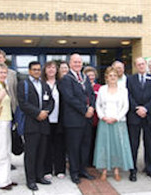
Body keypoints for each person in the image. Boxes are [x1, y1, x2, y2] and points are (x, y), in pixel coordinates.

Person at [59, 53, 96, 184]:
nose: (77, 64)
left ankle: (83, 170)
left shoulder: (85, 78)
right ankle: (74, 173)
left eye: (79, 62)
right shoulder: (66, 79)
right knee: (74, 148)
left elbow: (91, 94)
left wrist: (91, 107)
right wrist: (85, 110)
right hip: (74, 120)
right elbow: (69, 98)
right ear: (70, 63)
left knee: (85, 147)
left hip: (87, 120)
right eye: (75, 62)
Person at [17, 61, 54, 191]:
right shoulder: (23, 84)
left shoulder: (44, 85)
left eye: (39, 69)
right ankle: (31, 180)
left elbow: (51, 101)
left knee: (41, 153)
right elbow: (22, 103)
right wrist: (37, 113)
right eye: (34, 69)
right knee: (31, 154)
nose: (37, 72)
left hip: (44, 124)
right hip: (30, 124)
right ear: (29, 71)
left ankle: (39, 176)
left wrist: (46, 112)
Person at [93, 66, 133, 181]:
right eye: (110, 75)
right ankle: (104, 170)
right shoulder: (102, 89)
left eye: (115, 75)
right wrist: (102, 116)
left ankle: (116, 170)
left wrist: (116, 118)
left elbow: (126, 106)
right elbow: (98, 105)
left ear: (118, 77)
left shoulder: (123, 90)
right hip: (104, 121)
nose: (112, 78)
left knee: (117, 146)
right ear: (106, 77)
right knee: (104, 146)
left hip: (118, 122)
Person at [127, 57, 151, 181]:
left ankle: (150, 169)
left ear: (146, 65)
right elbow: (128, 95)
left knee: (149, 144)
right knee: (133, 144)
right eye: (138, 64)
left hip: (149, 116)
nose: (141, 66)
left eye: (142, 64)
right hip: (134, 116)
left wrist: (145, 108)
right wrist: (137, 108)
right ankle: (132, 170)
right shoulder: (130, 79)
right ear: (135, 66)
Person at [41, 61, 66, 181]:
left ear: (57, 70)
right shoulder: (41, 84)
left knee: (59, 146)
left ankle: (60, 169)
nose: (51, 70)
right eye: (48, 68)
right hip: (45, 120)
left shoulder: (61, 83)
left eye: (53, 68)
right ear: (45, 70)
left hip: (59, 120)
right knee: (46, 146)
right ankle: (47, 170)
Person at [83, 66, 101, 167]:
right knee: (87, 140)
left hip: (97, 118)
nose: (91, 77)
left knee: (95, 140)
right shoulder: (83, 86)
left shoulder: (99, 87)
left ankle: (94, 161)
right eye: (88, 75)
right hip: (87, 116)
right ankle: (87, 161)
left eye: (92, 75)